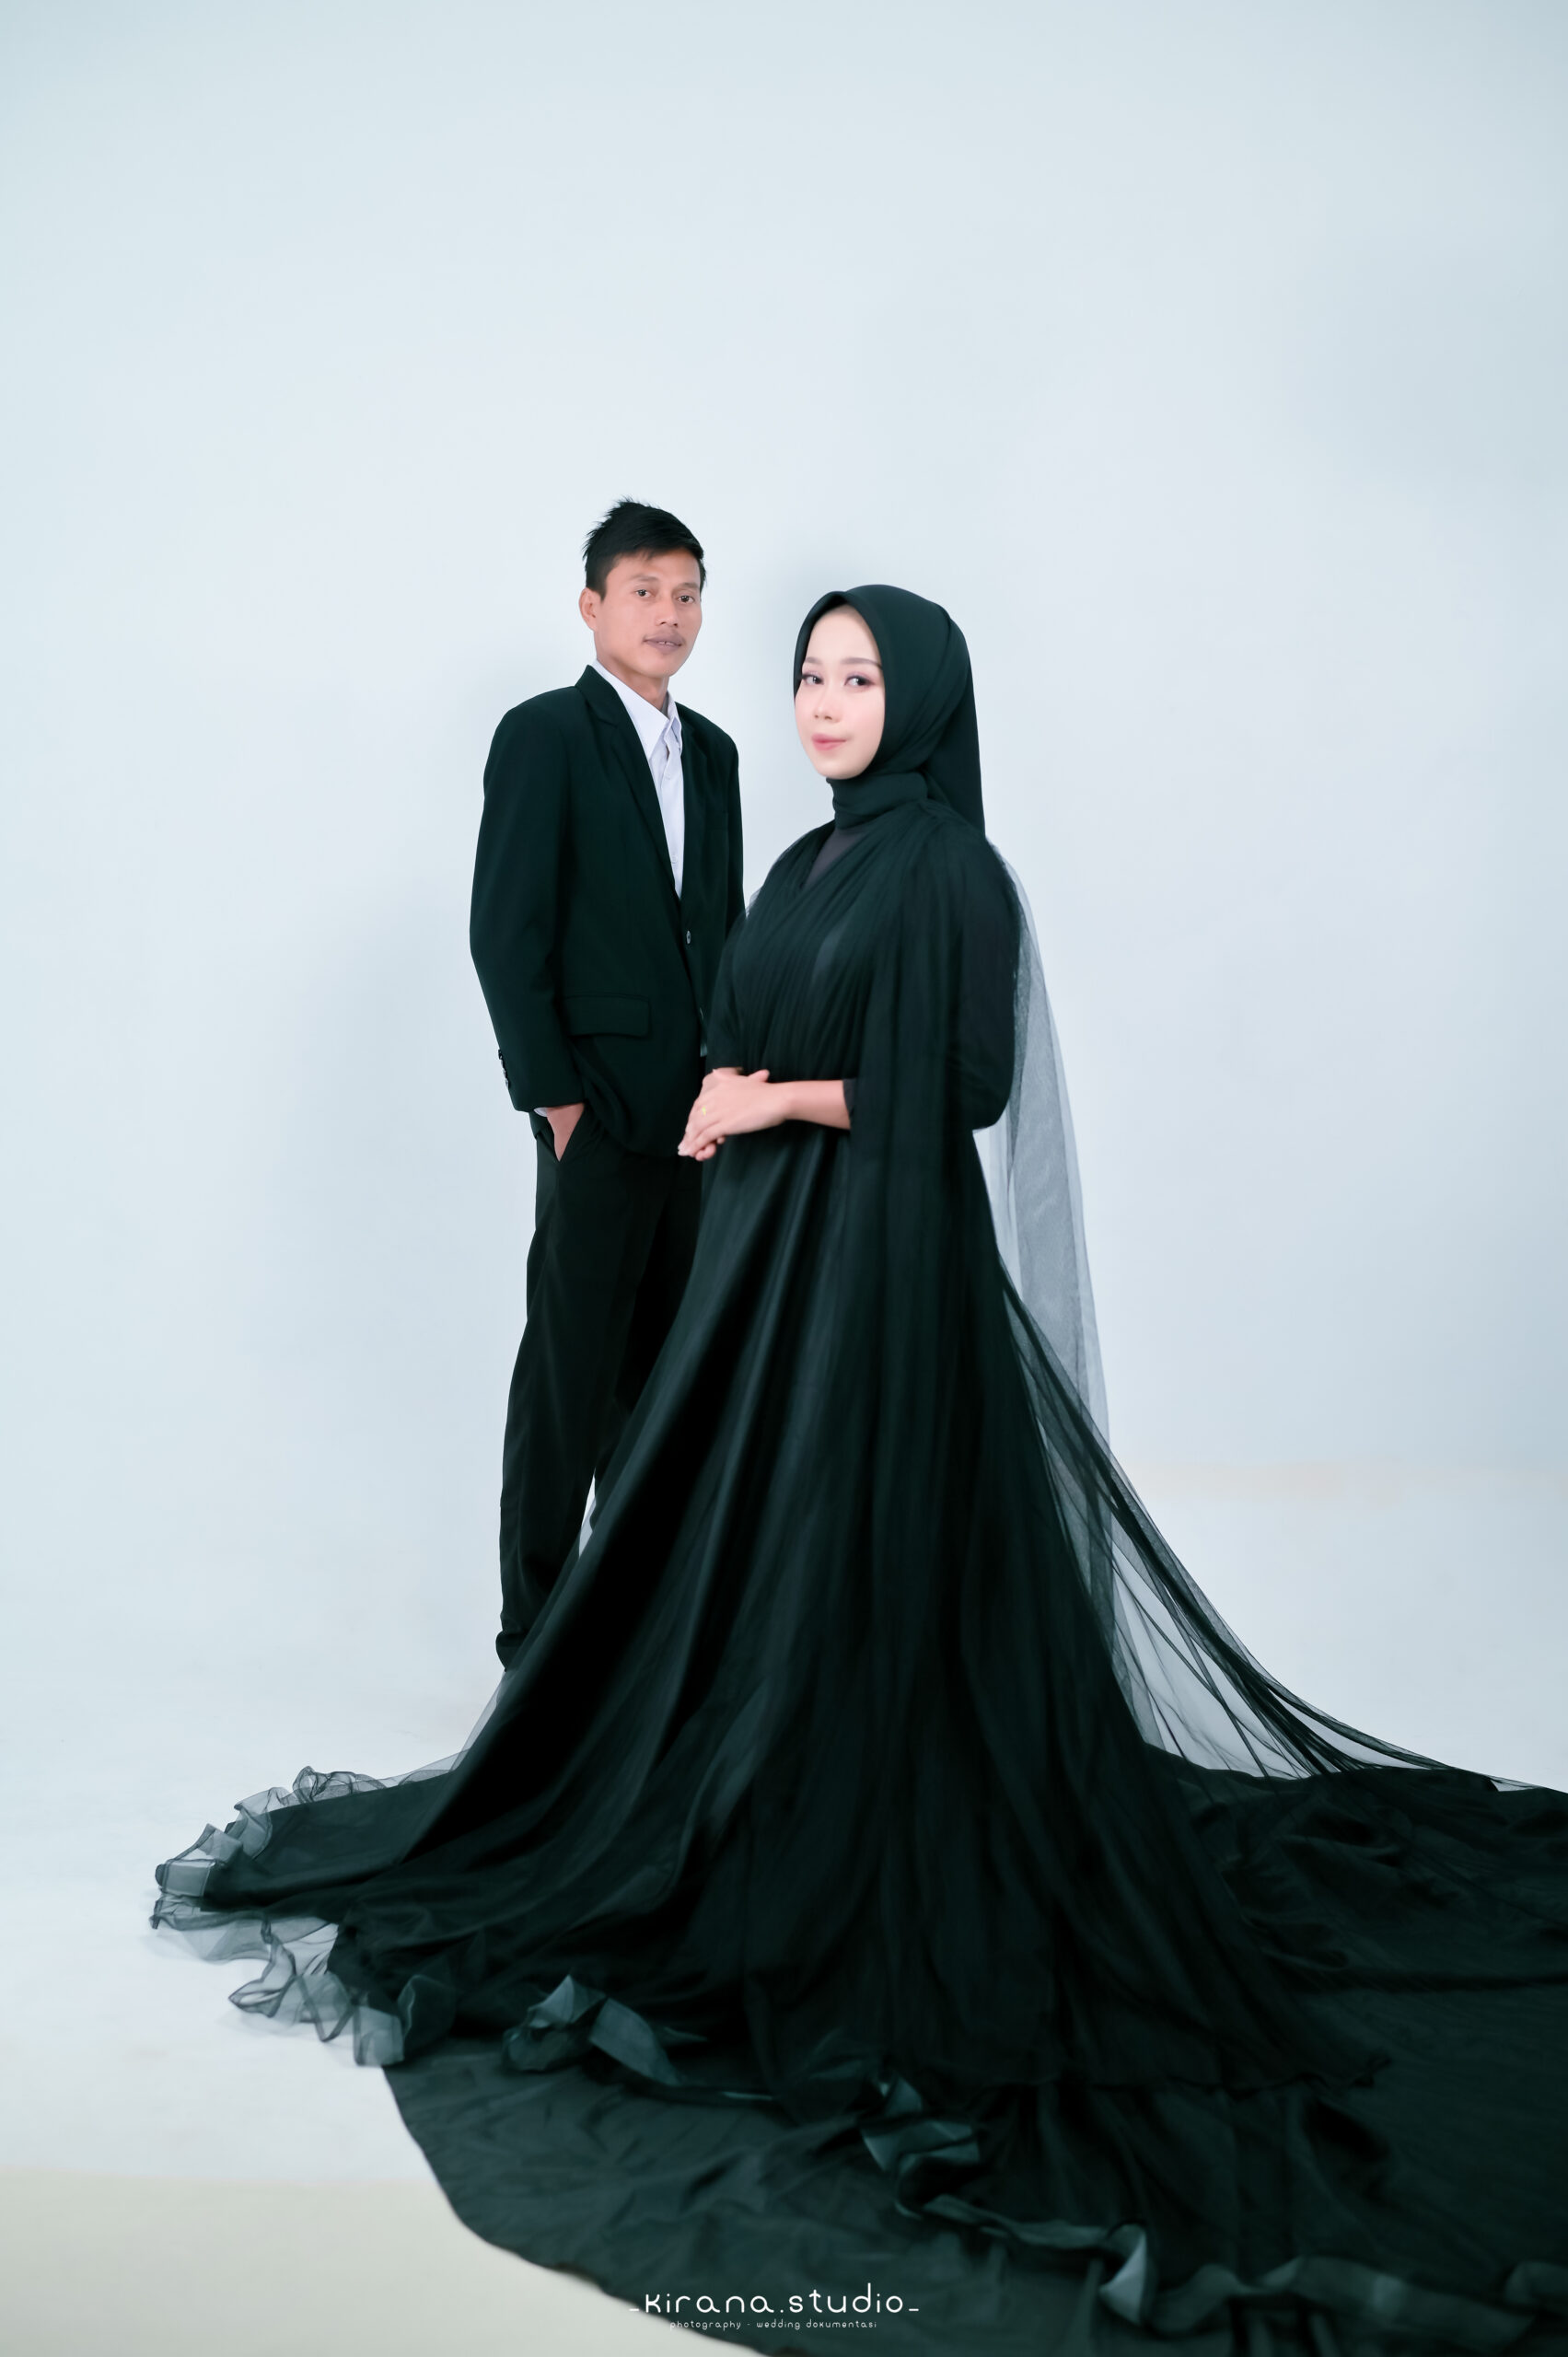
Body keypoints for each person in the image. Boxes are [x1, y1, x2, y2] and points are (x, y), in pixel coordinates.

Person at [156, 588, 1568, 2355]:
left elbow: (959, 1086)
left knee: (861, 1548)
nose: (823, 701)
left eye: (858, 677)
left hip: (882, 1266)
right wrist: (718, 1086)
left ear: (923, 701)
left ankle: (854, 1826)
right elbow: (755, 1023)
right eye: (810, 674)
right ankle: (746, 1793)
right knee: (746, 1550)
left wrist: (771, 1102)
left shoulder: (951, 872)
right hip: (768, 1258)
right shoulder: (805, 860)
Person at [470, 501, 743, 1666]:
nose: (667, 613)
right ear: (591, 606)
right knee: (568, 1376)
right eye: (643, 591)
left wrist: (731, 1077)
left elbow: (719, 931)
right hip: (593, 1111)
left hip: (697, 1120)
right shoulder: (545, 735)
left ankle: (632, 1636)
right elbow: (504, 931)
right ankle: (532, 1640)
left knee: (666, 1381)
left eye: (685, 593)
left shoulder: (715, 754)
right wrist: (557, 1105)